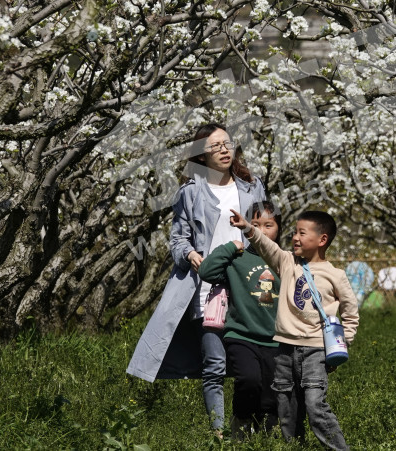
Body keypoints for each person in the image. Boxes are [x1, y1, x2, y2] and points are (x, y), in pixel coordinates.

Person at [126, 123, 266, 439]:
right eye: (215, 146)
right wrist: (189, 254)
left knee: (253, 363)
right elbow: (178, 238)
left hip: (248, 284)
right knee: (214, 364)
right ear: (201, 156)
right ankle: (218, 434)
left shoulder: (252, 186)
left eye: (227, 143)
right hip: (209, 287)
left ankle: (246, 426)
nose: (224, 150)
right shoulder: (189, 192)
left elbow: (268, 228)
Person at [230, 208, 359, 451]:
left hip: (316, 350)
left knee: (315, 404)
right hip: (285, 350)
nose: (295, 238)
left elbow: (351, 314)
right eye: (294, 233)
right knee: (286, 407)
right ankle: (294, 446)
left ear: (322, 239)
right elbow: (267, 246)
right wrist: (247, 228)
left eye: (302, 233)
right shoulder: (287, 262)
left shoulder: (336, 275)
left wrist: (342, 346)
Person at [199, 200, 282, 439]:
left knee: (271, 393)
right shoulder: (238, 257)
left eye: (268, 225)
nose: (261, 231)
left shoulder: (283, 260)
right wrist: (230, 247)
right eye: (255, 224)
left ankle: (266, 436)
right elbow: (206, 271)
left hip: (276, 338)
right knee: (248, 379)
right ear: (246, 226)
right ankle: (241, 421)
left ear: (279, 228)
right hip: (241, 334)